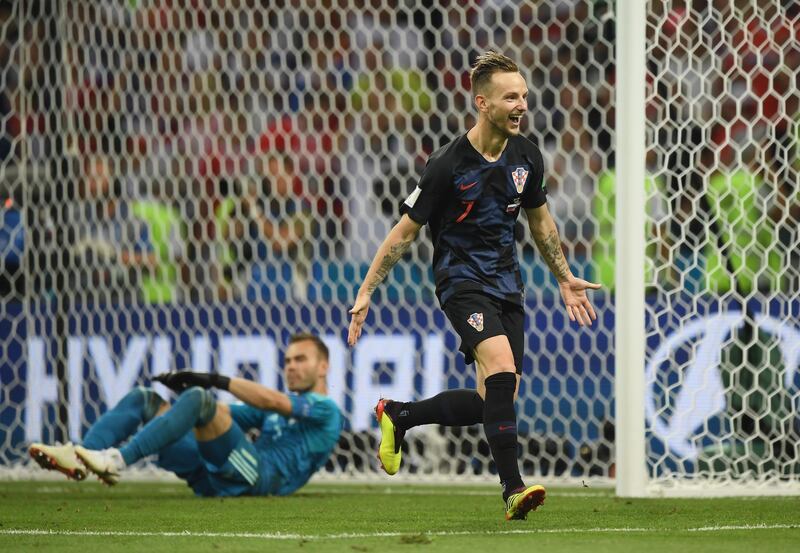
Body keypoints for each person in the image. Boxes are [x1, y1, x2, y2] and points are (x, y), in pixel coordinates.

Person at [347, 51, 601, 521]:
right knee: (502, 366)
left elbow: (542, 225)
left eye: (524, 95)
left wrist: (564, 278)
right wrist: (366, 291)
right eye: (511, 97)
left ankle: (399, 415)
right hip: (460, 280)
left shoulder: (528, 155)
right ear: (482, 103)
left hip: (508, 283)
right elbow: (404, 233)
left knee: (495, 397)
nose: (522, 104)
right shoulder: (446, 164)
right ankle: (513, 489)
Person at [29, 333, 342, 497]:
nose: (291, 366)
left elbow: (273, 401)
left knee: (200, 398)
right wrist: (184, 402)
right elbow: (217, 413)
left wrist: (209, 381)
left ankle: (116, 460)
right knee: (145, 399)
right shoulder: (275, 412)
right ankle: (82, 454)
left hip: (258, 480)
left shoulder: (327, 411)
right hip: (216, 475)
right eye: (287, 360)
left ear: (323, 367)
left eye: (301, 359)